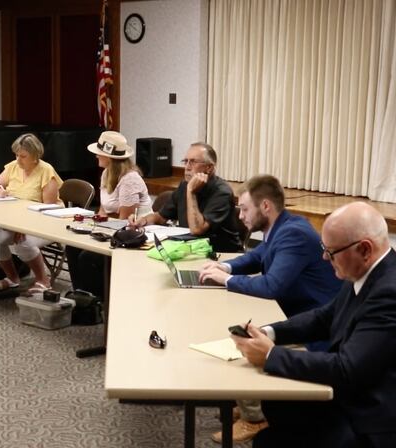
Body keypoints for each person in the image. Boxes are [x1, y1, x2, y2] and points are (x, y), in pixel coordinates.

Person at [232, 202, 396, 448]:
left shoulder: (389, 292)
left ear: (364, 249)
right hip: (352, 396)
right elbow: (323, 317)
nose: (324, 257)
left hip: (370, 418)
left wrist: (269, 355)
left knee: (270, 440)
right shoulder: (366, 270)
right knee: (276, 409)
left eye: (331, 252)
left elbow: (347, 369)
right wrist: (269, 332)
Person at [198, 174, 343, 444]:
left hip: (315, 326)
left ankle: (255, 417)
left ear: (265, 206)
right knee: (241, 327)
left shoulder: (294, 234)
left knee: (246, 343)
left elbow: (271, 286)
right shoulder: (282, 227)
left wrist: (226, 280)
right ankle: (248, 404)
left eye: (244, 208)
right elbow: (258, 256)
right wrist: (225, 267)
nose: (240, 216)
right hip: (293, 311)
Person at [65, 130, 151, 298]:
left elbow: (125, 221)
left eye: (100, 154)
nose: (96, 157)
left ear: (110, 158)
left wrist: (100, 232)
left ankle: (99, 300)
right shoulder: (106, 173)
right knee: (72, 247)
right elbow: (104, 209)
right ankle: (81, 296)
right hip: (111, 227)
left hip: (134, 232)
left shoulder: (129, 179)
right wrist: (94, 225)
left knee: (88, 256)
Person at [129, 142, 243, 252]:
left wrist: (191, 192)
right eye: (185, 161)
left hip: (220, 254)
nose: (187, 167)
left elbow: (197, 229)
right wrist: (142, 220)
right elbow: (161, 216)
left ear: (209, 168)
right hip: (190, 249)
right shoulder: (184, 185)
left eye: (193, 162)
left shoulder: (222, 192)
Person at [0, 133, 62, 294]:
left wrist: (23, 226)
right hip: (16, 220)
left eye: (23, 156)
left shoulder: (46, 171)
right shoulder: (13, 166)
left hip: (46, 222)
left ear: (35, 156)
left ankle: (43, 280)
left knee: (23, 242)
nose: (18, 160)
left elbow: (47, 208)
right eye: (16, 155)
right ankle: (13, 278)